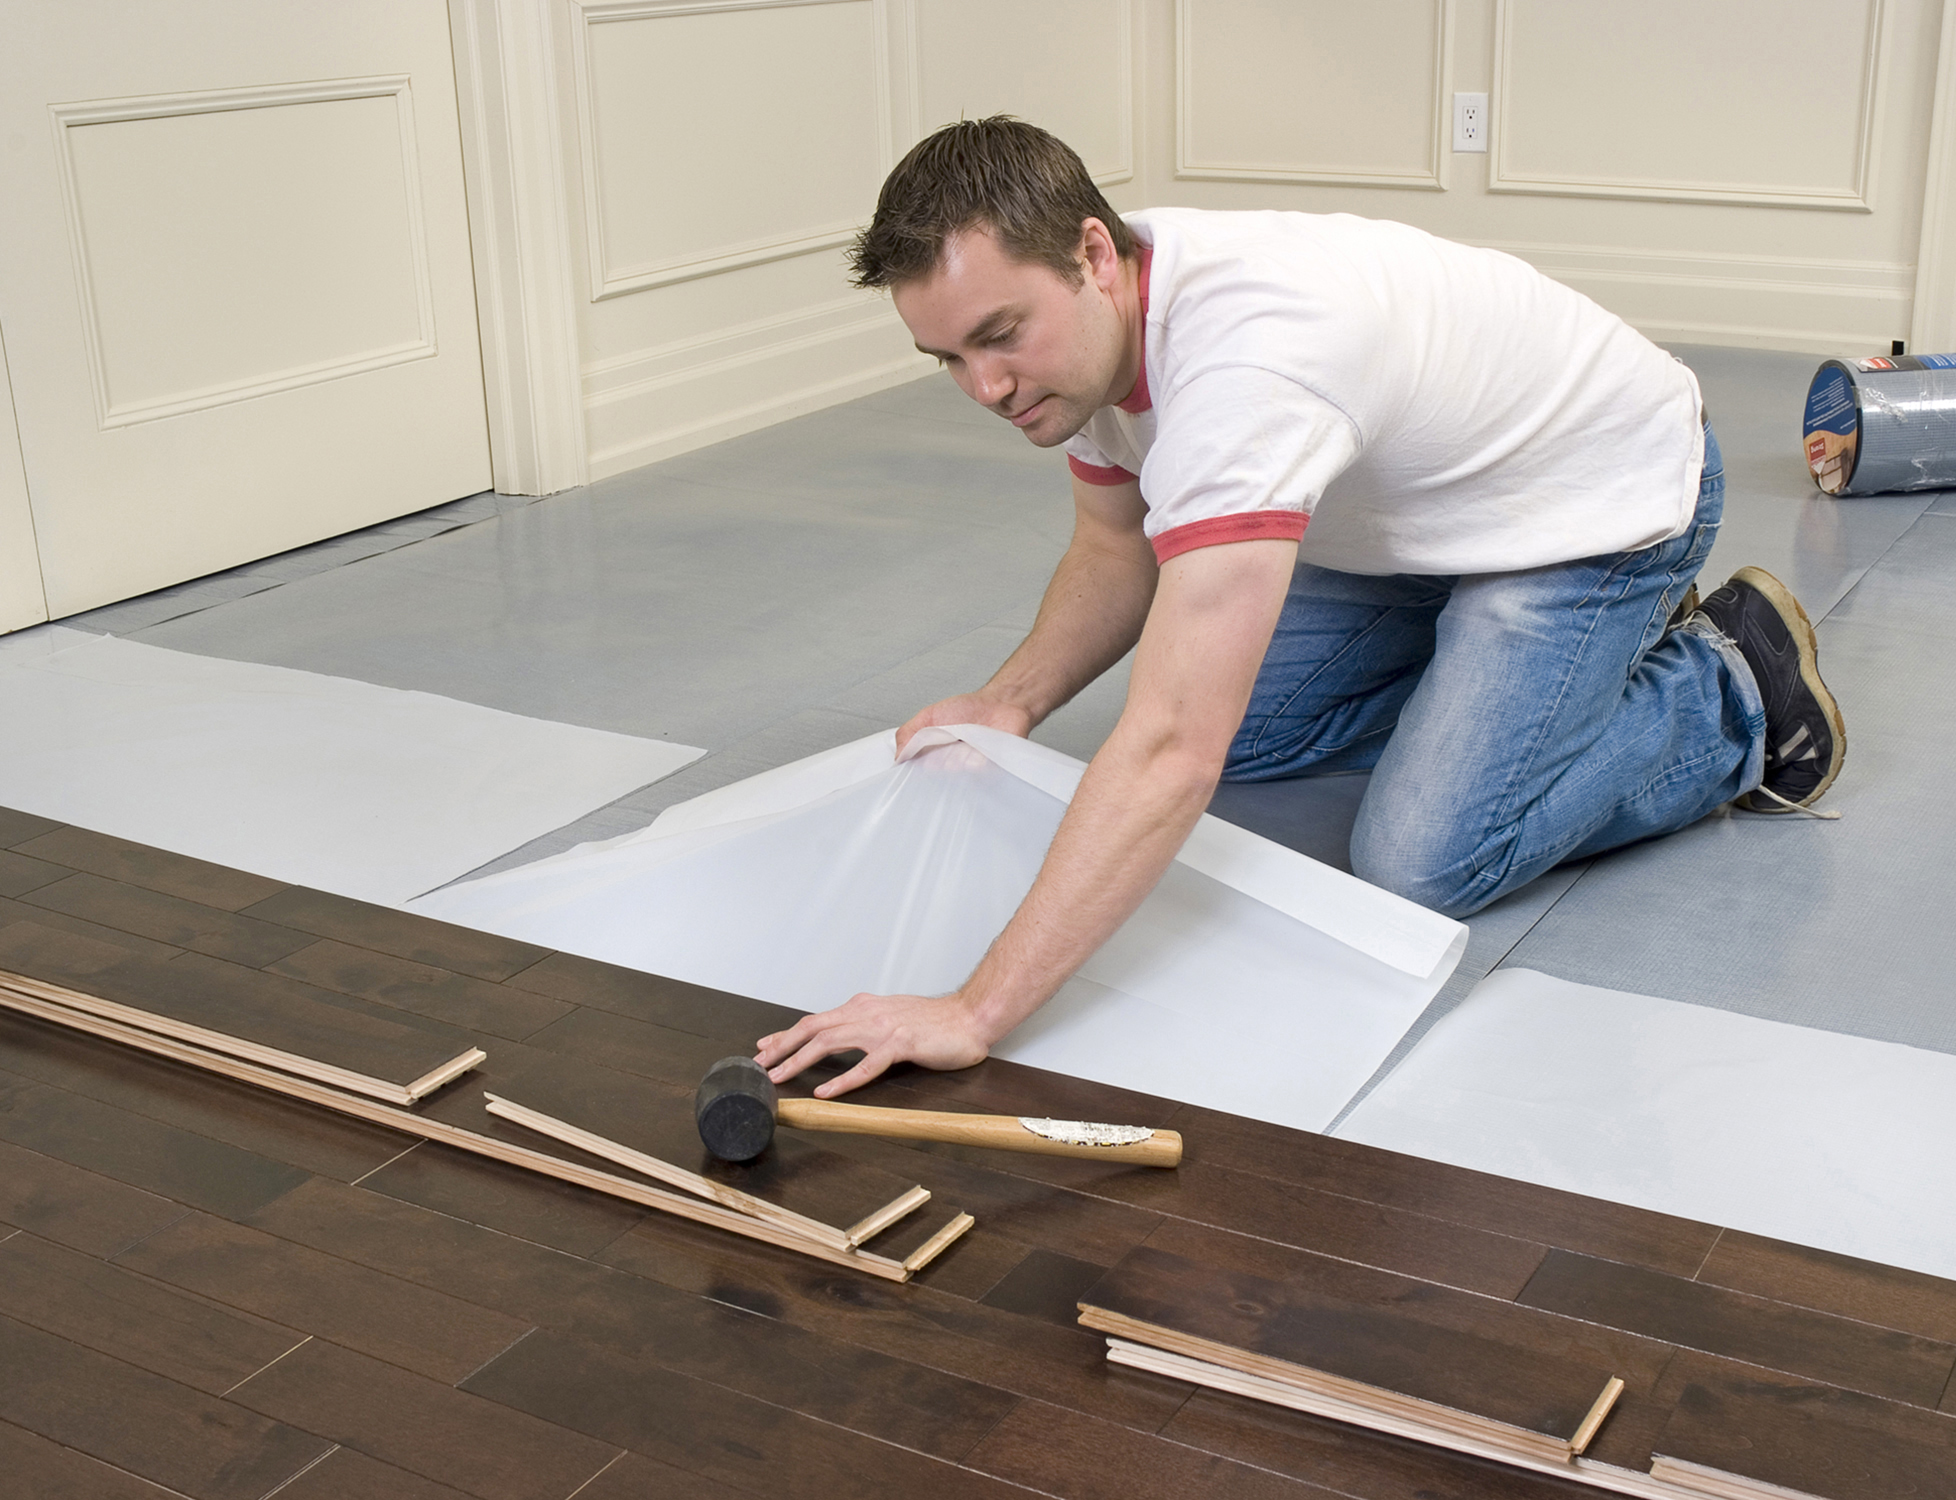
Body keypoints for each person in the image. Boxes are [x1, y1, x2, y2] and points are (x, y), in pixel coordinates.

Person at [755, 117, 1844, 1097]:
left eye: (997, 336)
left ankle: (1724, 686)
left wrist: (973, 1009)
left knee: (1423, 859)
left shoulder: (1247, 368)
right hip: (1422, 519)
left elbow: (1173, 746)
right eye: (947, 356)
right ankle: (1536, 681)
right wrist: (1009, 701)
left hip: (1594, 502)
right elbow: (1111, 540)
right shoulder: (1086, 335)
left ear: (1093, 252)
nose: (984, 387)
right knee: (1259, 733)